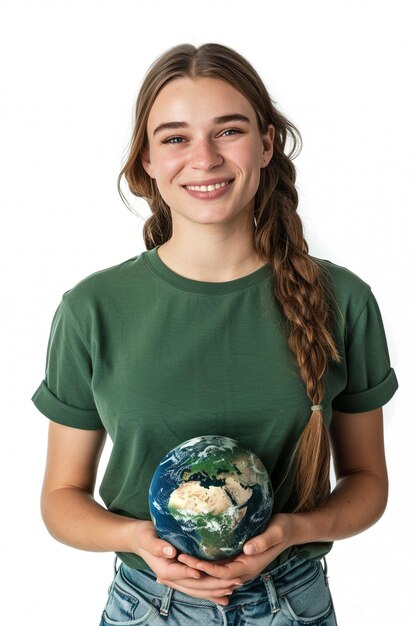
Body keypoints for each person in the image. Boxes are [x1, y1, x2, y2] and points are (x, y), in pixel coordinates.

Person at [32, 42, 398, 626]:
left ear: (267, 143)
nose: (203, 158)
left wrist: (294, 531)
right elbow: (60, 500)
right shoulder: (92, 308)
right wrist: (139, 540)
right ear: (147, 160)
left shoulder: (341, 301)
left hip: (293, 605)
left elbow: (368, 482)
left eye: (228, 131)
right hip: (148, 604)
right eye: (174, 137)